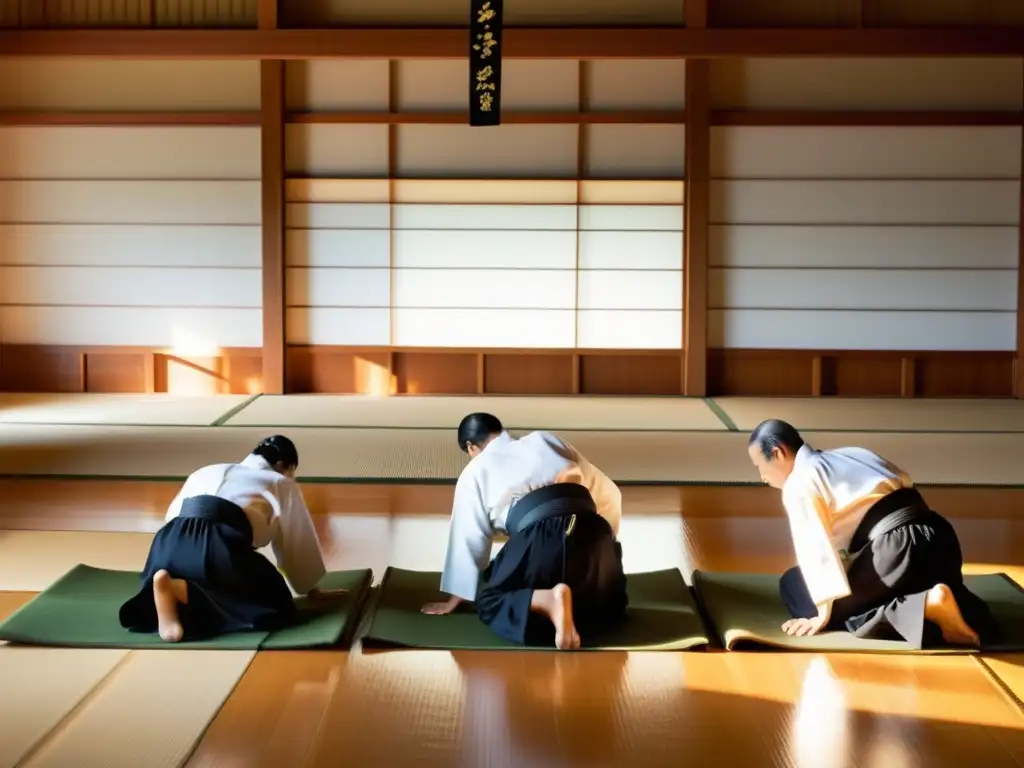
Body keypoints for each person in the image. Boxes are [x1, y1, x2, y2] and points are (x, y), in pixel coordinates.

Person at [746, 419, 994, 649]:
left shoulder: (800, 482)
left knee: (795, 587)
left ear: (777, 452)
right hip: (938, 537)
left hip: (895, 550)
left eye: (759, 465)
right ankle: (954, 607)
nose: (761, 476)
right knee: (954, 599)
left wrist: (823, 613)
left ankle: (924, 607)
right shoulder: (851, 454)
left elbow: (816, 549)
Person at [421, 413, 627, 650]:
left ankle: (548, 600)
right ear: (500, 431)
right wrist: (606, 552)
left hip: (538, 537)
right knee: (606, 605)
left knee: (490, 600)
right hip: (593, 531)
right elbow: (611, 494)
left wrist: (457, 596)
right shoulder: (547, 440)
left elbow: (470, 539)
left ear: (470, 447)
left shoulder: (475, 470)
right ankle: (571, 603)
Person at [119, 435, 337, 643]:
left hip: (166, 546)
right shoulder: (280, 482)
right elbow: (294, 540)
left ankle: (171, 597)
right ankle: (178, 590)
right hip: (217, 547)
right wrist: (310, 588)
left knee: (211, 581)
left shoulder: (206, 471)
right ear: (282, 465)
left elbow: (171, 516)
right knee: (274, 604)